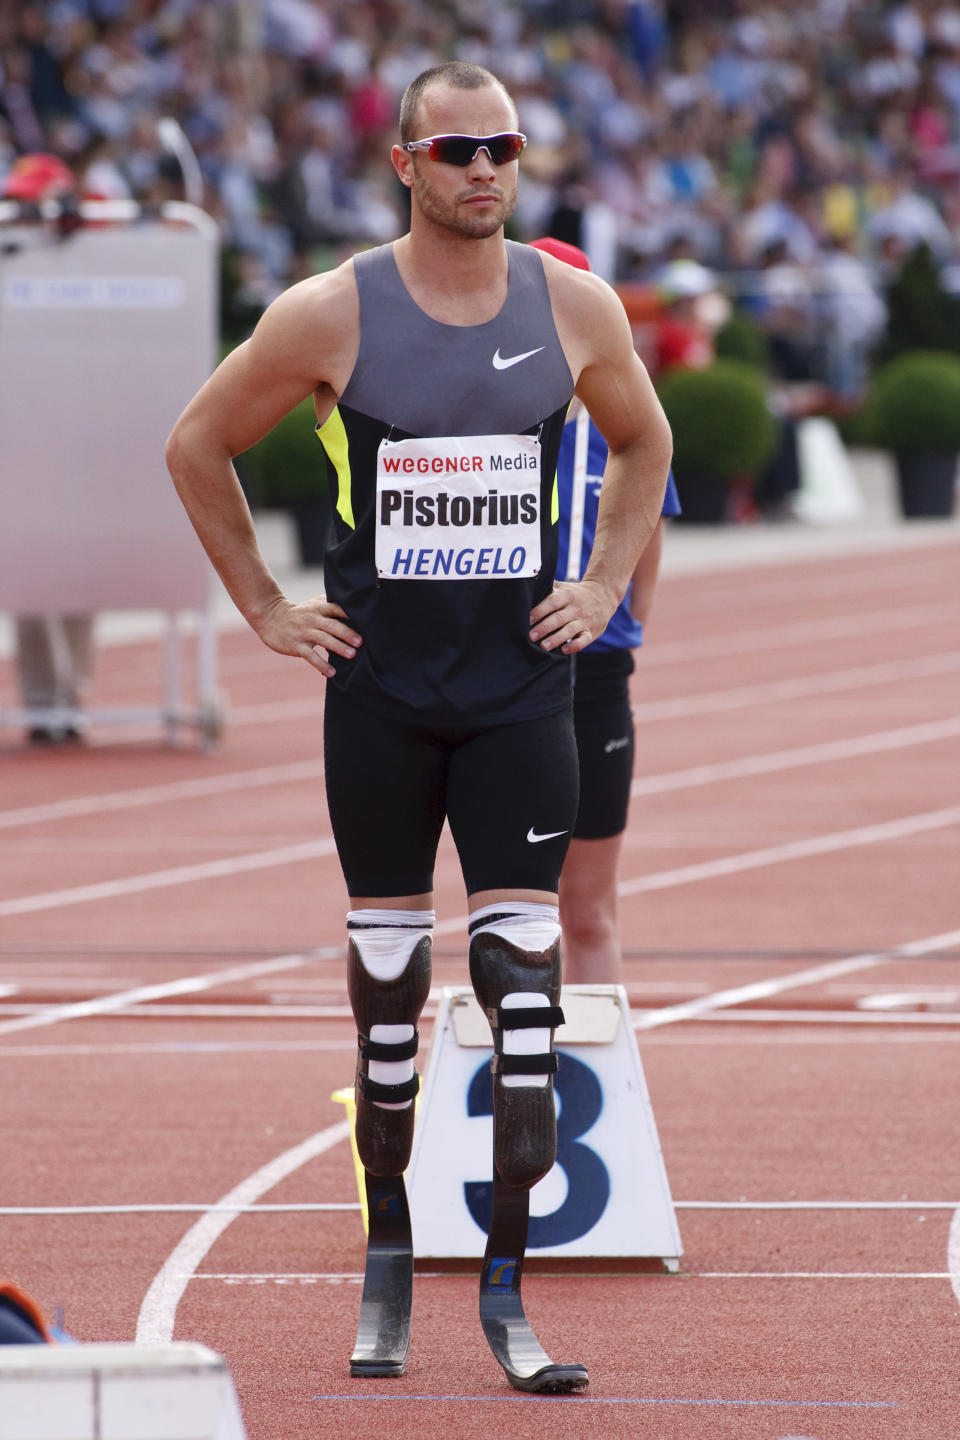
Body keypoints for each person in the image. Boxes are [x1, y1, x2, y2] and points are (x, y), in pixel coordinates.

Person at [165, 61, 672, 1391]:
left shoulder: (576, 306)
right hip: (382, 702)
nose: (483, 170)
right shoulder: (331, 314)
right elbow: (195, 444)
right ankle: (389, 1261)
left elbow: (646, 443)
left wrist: (605, 582)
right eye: (457, 148)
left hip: (520, 695)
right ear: (406, 161)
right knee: (388, 1012)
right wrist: (268, 605)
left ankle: (506, 1293)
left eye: (502, 146)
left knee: (524, 1005)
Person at [530, 236, 681, 985]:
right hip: (502, 676)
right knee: (517, 912)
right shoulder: (484, 409)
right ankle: (518, 1081)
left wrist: (624, 625)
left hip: (594, 679)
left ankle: (597, 1091)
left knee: (587, 909)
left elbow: (646, 534)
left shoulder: (624, 421)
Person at [2, 153, 94, 744]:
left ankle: (72, 694)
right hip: (23, 450)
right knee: (30, 578)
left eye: (36, 206)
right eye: (19, 207)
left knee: (83, 577)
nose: (26, 218)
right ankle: (41, 702)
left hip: (85, 452)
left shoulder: (100, 268)